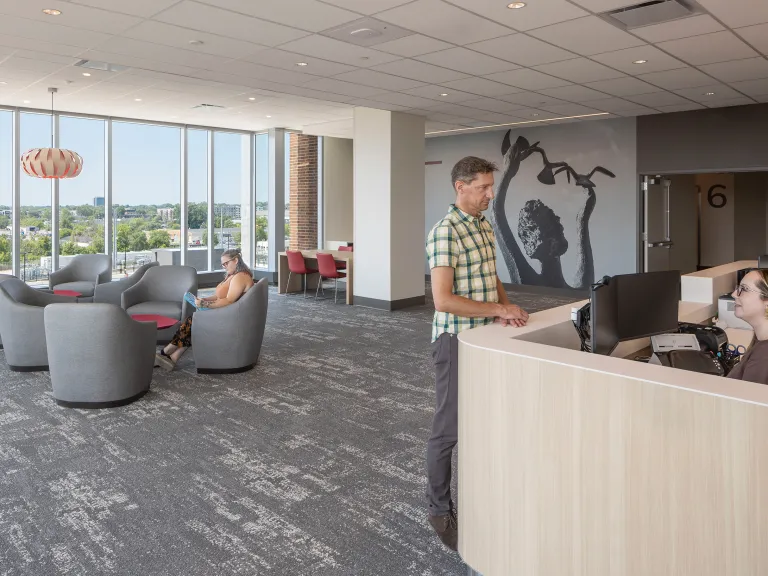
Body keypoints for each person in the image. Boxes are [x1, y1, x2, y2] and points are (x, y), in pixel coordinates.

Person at [425, 156, 530, 551]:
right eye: (483, 187)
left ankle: (482, 497)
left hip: (485, 337)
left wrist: (507, 307)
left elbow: (490, 275)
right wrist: (498, 310)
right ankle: (439, 511)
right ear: (460, 187)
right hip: (455, 341)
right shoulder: (445, 232)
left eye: (491, 186)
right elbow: (443, 300)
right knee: (447, 430)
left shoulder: (483, 225)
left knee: (485, 421)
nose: (491, 194)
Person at [155, 249, 254, 371]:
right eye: (222, 264)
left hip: (229, 317)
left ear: (236, 260)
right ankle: (173, 357)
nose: (224, 266)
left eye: (226, 263)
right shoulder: (233, 275)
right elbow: (219, 296)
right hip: (226, 312)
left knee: (192, 321)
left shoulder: (240, 277)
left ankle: (166, 351)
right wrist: (205, 299)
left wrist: (206, 305)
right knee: (192, 323)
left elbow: (229, 301)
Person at [727, 269, 768, 384]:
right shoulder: (760, 339)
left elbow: (745, 401)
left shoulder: (763, 354)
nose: (734, 294)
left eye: (744, 289)